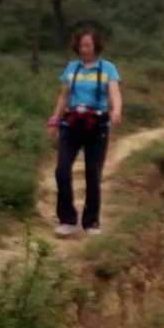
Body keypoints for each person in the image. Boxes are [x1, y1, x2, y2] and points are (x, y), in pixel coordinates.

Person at [47, 26, 123, 238]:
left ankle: (91, 221)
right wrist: (54, 121)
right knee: (61, 170)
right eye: (81, 45)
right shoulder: (72, 68)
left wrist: (116, 110)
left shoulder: (108, 68)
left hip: (96, 126)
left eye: (88, 45)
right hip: (71, 125)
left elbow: (114, 92)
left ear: (96, 46)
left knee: (92, 174)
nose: (84, 49)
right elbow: (64, 97)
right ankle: (66, 218)